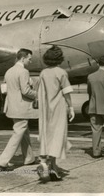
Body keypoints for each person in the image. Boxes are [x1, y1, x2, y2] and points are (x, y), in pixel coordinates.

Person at [36, 45, 75, 182]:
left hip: (46, 108)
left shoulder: (43, 73)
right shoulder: (61, 73)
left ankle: (51, 166)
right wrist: (71, 107)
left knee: (48, 135)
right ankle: (48, 164)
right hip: (58, 108)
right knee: (58, 135)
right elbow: (67, 91)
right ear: (60, 59)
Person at [0, 48, 38, 171]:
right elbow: (26, 91)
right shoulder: (23, 72)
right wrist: (38, 94)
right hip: (22, 108)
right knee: (18, 133)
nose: (30, 62)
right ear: (23, 58)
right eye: (29, 59)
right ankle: (2, 162)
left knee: (24, 132)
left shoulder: (9, 71)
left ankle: (29, 158)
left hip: (13, 108)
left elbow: (5, 89)